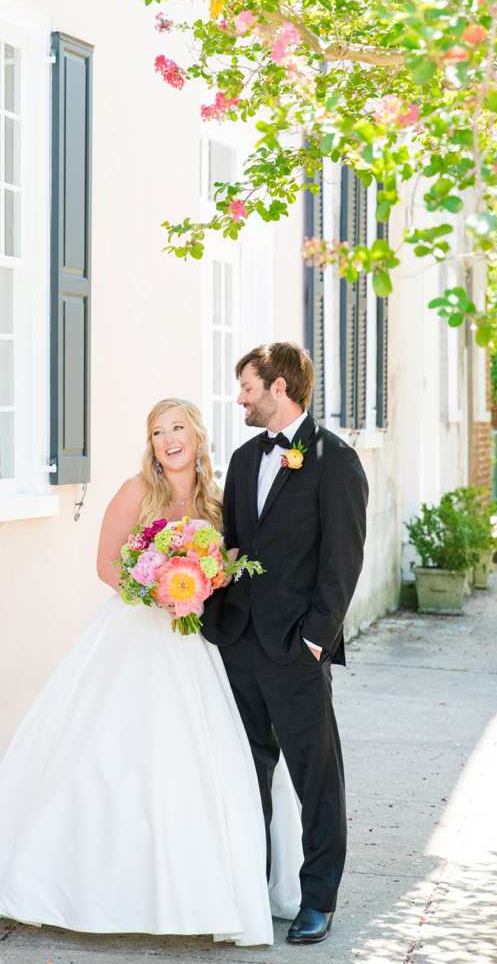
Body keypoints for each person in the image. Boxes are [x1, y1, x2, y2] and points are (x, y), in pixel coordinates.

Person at [0, 398, 302, 946]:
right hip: (134, 632)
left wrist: (204, 581)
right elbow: (106, 563)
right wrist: (155, 590)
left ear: (198, 438)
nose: (168, 440)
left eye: (178, 429)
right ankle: (87, 885)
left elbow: (223, 564)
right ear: (149, 444)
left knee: (195, 759)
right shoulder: (135, 492)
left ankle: (195, 891)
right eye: (157, 432)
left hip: (193, 642)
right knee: (108, 758)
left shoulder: (216, 503)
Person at [202, 343, 368, 945]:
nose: (239, 398)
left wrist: (316, 641)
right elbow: (234, 546)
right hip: (239, 642)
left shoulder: (335, 460)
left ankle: (317, 897)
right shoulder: (245, 460)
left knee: (315, 776)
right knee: (248, 775)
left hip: (298, 651)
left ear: (278, 388)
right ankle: (252, 888)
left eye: (247, 387)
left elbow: (342, 562)